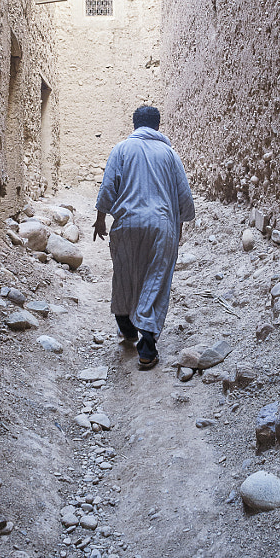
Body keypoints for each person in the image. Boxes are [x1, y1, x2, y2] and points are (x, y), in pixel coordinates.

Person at [93, 105, 195, 370]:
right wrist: (180, 223)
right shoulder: (170, 154)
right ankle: (147, 348)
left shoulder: (121, 149)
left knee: (125, 274)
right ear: (157, 126)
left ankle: (127, 329)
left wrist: (101, 218)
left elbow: (108, 186)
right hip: (161, 226)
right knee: (155, 279)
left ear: (135, 124)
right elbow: (185, 198)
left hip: (126, 223)